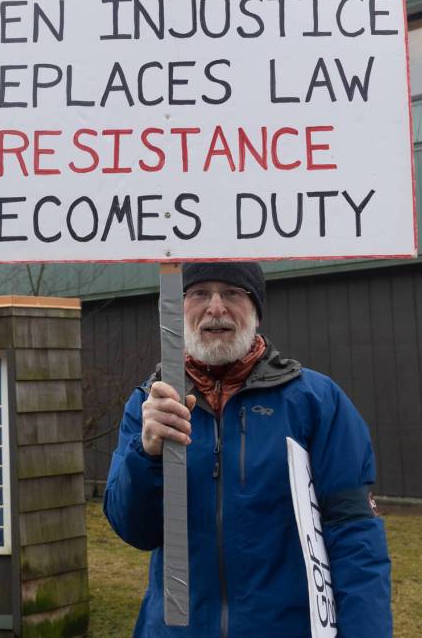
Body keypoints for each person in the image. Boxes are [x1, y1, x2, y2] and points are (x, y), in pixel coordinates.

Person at [103, 261, 392, 637]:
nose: (216, 308)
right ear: (180, 307)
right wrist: (147, 455)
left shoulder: (315, 402)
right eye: (200, 293)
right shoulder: (152, 404)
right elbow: (134, 530)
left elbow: (355, 537)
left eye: (233, 294)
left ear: (255, 310)